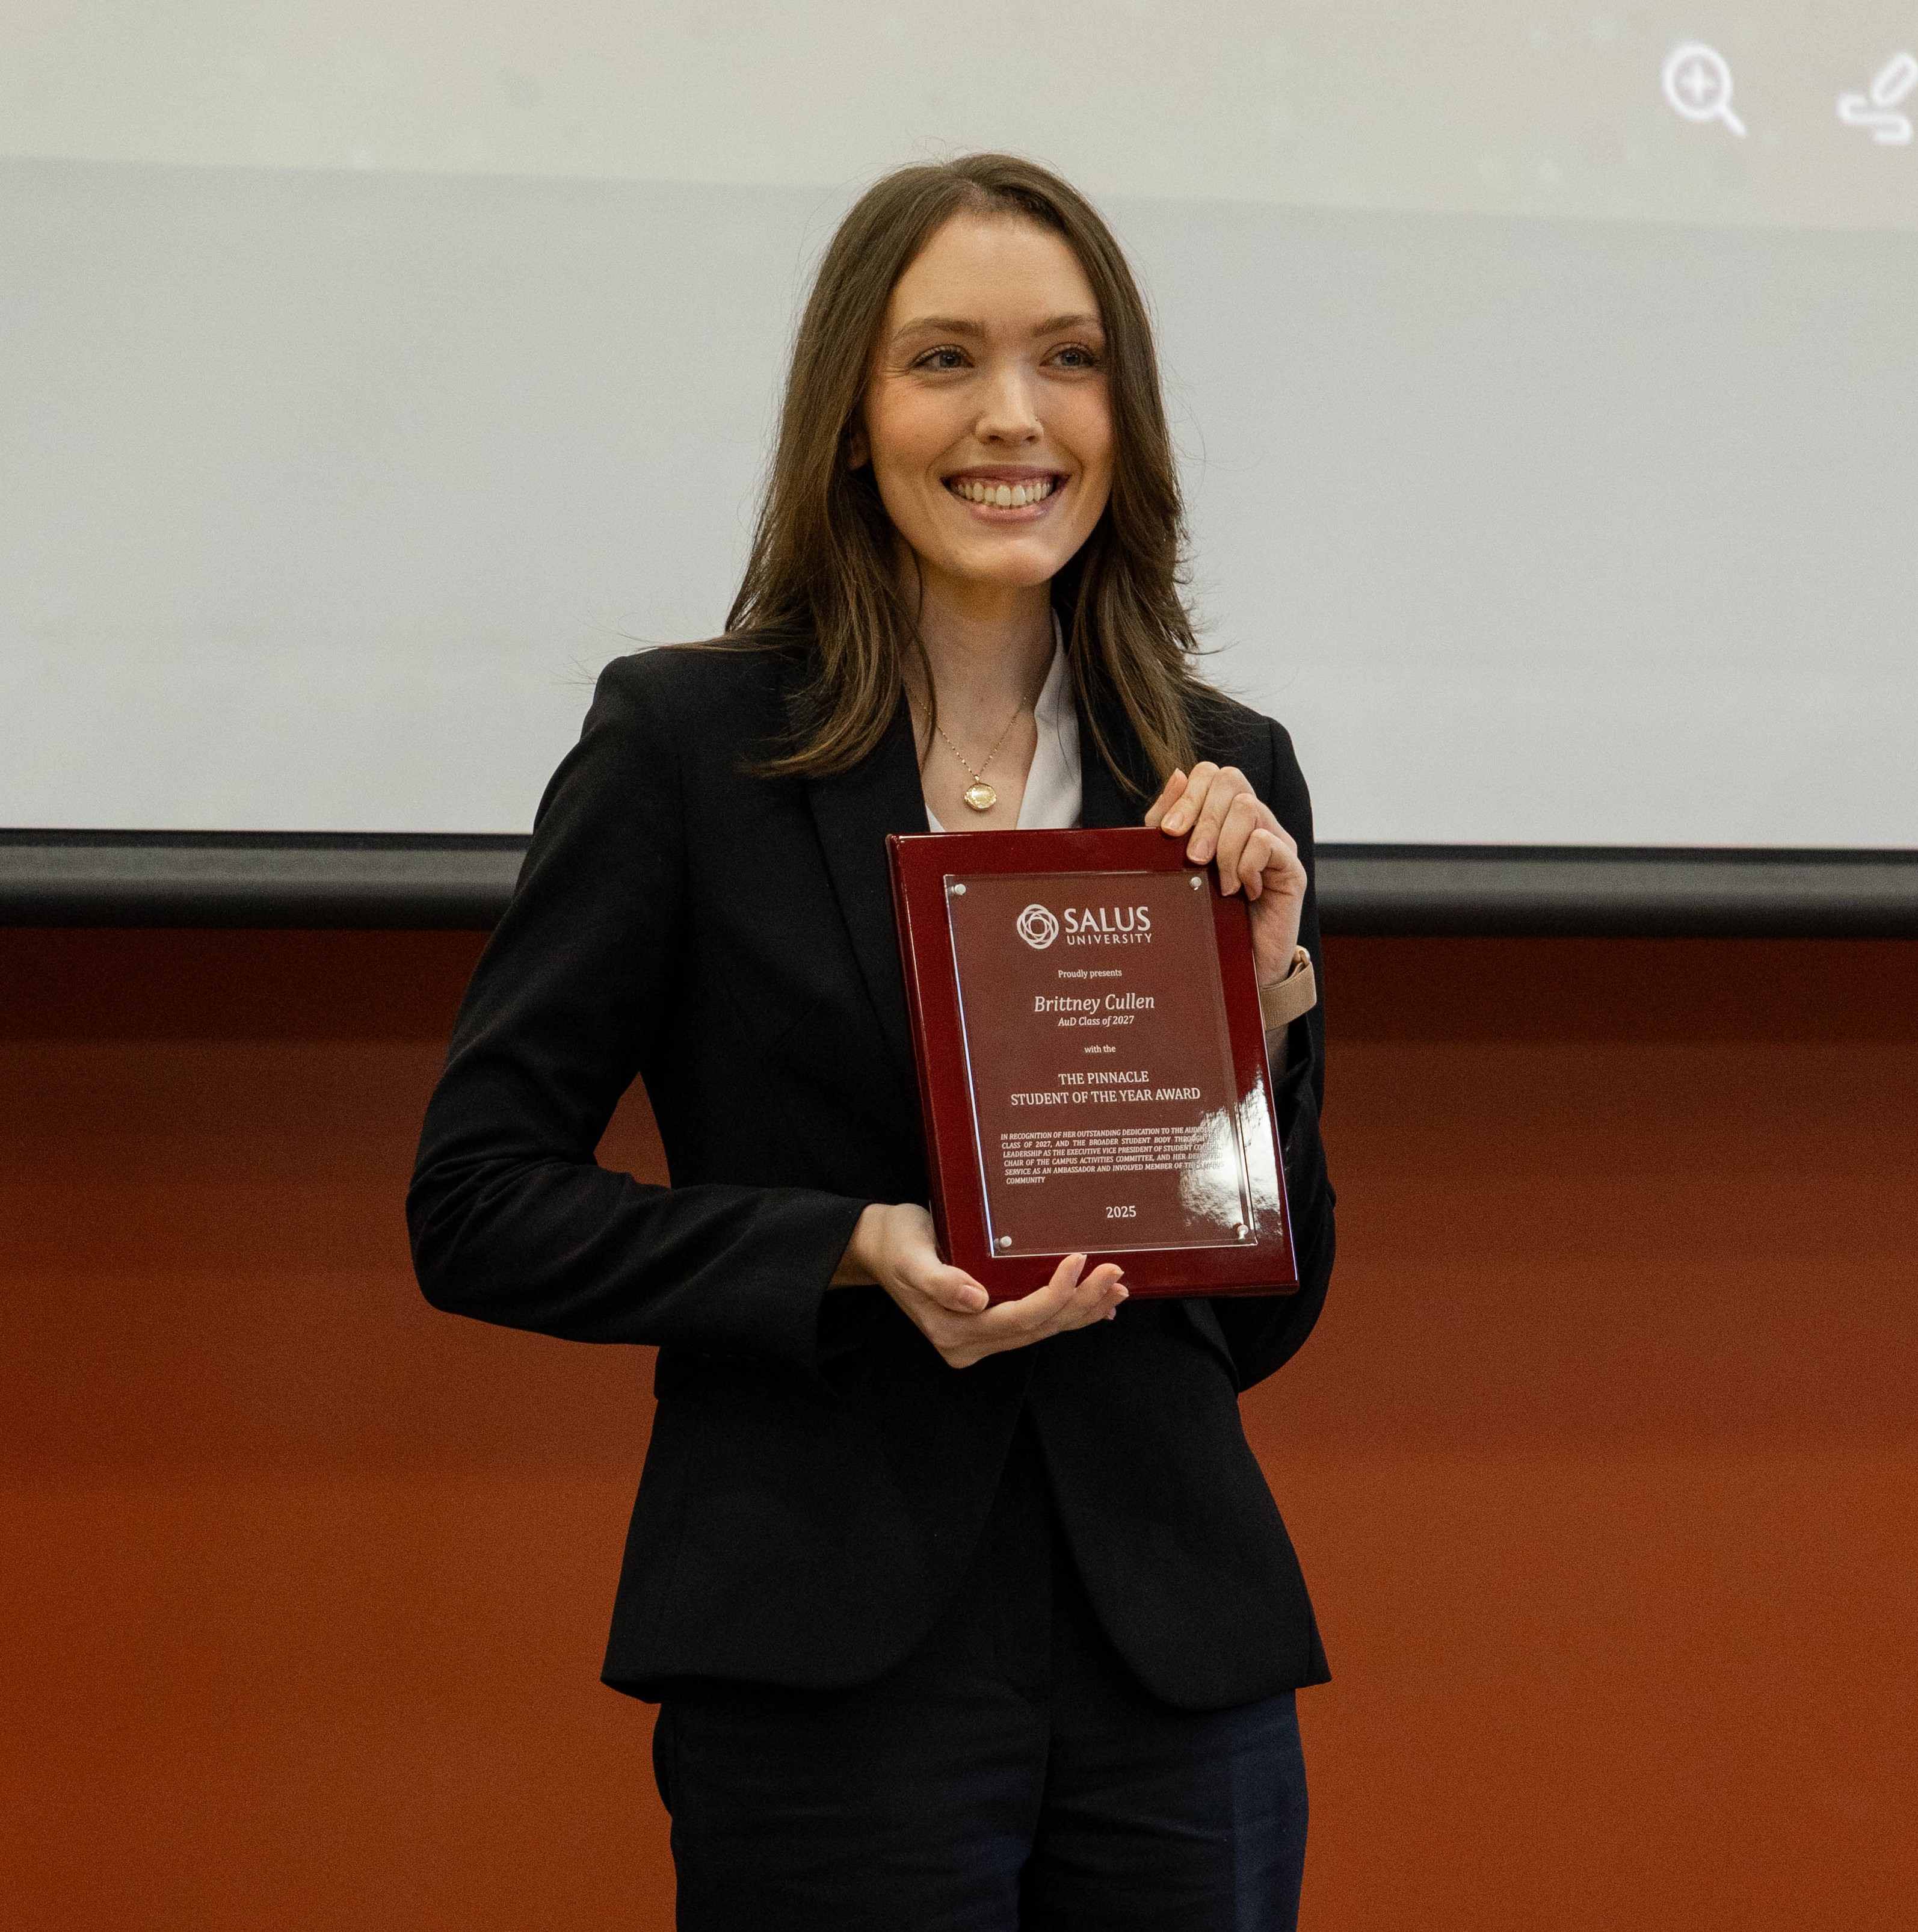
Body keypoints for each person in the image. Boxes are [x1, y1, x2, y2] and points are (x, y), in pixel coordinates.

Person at [409, 152, 1334, 1931]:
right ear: (849, 412)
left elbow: (1268, 1313)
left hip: (1175, 1654)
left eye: (1068, 360)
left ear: (1123, 415)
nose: (1014, 418)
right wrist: (847, 1246)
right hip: (825, 1646)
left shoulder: (1220, 772)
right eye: (943, 361)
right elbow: (476, 1199)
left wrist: (1268, 1007)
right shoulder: (685, 741)